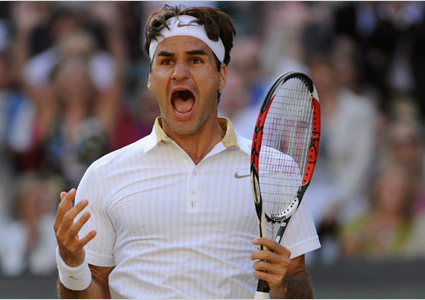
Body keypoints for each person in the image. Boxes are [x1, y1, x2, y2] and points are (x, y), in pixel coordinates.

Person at [54, 5, 320, 299]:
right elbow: (92, 291)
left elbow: (298, 283)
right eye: (166, 62)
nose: (180, 73)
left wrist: (283, 284)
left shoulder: (276, 170)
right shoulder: (104, 174)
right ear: (150, 78)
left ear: (221, 75)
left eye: (195, 60)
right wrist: (71, 266)